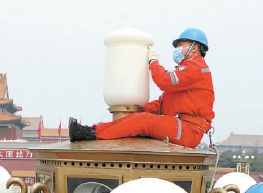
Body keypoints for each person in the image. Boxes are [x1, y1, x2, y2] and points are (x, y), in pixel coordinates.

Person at [68, 27, 215, 148]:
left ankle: (92, 134)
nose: (177, 49)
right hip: (183, 126)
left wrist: (153, 62)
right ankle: (92, 130)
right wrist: (136, 111)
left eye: (180, 45)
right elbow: (163, 104)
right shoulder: (189, 71)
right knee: (139, 118)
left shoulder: (196, 67)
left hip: (188, 130)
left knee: (144, 121)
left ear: (194, 48)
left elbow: (164, 81)